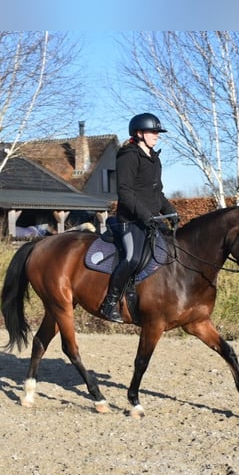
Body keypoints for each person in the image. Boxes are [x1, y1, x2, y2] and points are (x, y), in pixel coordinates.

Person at [99, 112, 178, 323]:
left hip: (151, 220)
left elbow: (157, 194)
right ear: (139, 133)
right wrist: (145, 216)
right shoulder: (128, 155)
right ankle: (110, 302)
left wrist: (171, 212)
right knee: (132, 258)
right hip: (131, 221)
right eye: (153, 132)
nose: (157, 136)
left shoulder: (154, 158)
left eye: (157, 132)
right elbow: (124, 192)